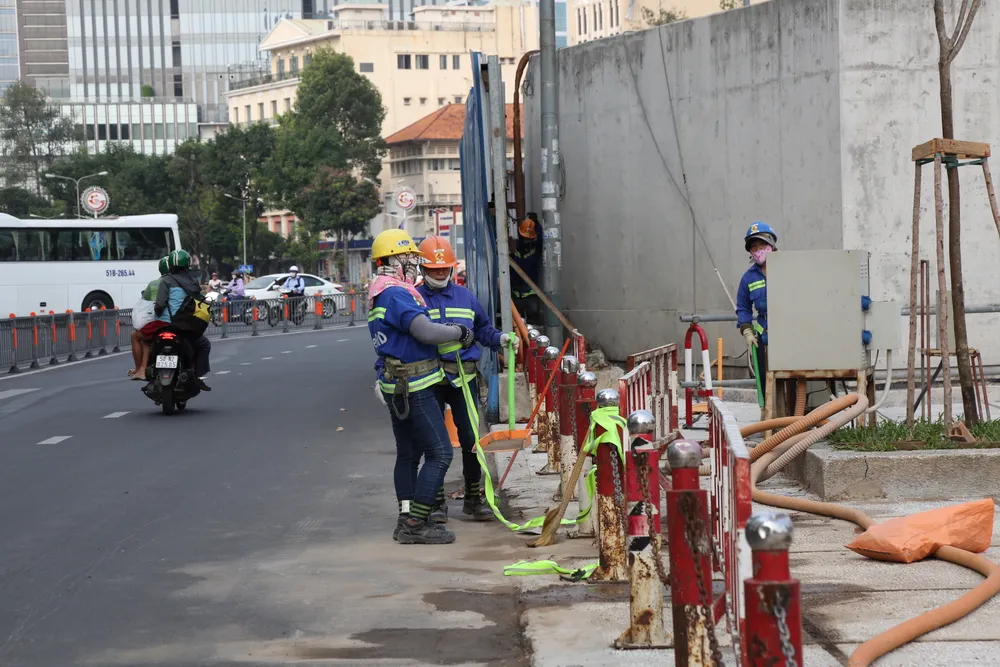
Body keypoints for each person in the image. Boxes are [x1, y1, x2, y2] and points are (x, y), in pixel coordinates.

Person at [368, 229, 475, 545]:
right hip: (415, 384)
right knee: (440, 452)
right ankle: (416, 523)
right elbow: (425, 331)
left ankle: (406, 517)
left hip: (395, 382)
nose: (413, 263)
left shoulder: (379, 291)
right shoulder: (397, 294)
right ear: (394, 260)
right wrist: (457, 331)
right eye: (409, 258)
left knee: (408, 454)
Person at [416, 236, 517, 522]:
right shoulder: (413, 297)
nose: (440, 273)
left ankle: (474, 498)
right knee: (434, 443)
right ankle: (436, 505)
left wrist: (502, 339)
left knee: (472, 438)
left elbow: (484, 329)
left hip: (464, 377)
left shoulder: (465, 296)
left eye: (444, 268)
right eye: (434, 268)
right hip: (428, 378)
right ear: (423, 268)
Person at [156, 249, 213, 392]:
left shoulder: (166, 281)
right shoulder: (193, 282)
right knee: (204, 344)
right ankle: (197, 375)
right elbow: (200, 300)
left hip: (164, 326)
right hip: (184, 326)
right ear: (187, 264)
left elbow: (160, 304)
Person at [736, 222, 776, 399]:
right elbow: (743, 307)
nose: (758, 250)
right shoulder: (748, 278)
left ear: (771, 245)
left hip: (790, 335)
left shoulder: (789, 267)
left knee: (793, 383)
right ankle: (769, 420)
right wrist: (747, 331)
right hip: (764, 338)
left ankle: (795, 421)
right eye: (754, 247)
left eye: (762, 245)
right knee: (765, 383)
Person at [128, 256, 171, 380]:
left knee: (136, 336)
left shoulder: (154, 284)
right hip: (181, 323)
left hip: (160, 322)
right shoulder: (182, 282)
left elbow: (148, 302)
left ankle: (139, 369)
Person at [509, 212, 542, 325]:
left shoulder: (534, 250)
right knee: (517, 327)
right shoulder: (515, 251)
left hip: (530, 295)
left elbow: (541, 241)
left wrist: (536, 224)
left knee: (533, 327)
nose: (525, 240)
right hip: (516, 295)